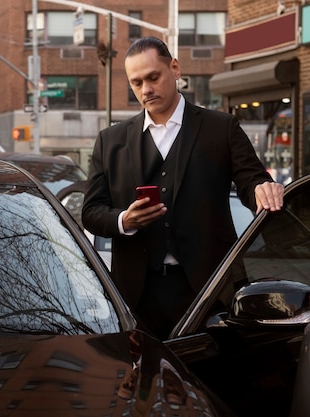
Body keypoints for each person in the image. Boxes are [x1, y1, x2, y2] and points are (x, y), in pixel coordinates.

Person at [82, 36, 284, 339]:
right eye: (136, 83)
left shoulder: (222, 128)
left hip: (210, 291)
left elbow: (251, 181)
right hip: (136, 298)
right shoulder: (110, 141)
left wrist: (262, 189)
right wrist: (124, 220)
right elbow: (91, 212)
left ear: (174, 68)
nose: (146, 89)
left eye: (153, 77)